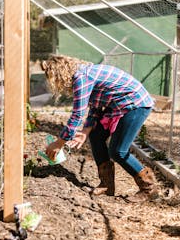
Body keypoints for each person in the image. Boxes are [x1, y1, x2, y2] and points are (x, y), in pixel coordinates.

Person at [41, 55, 158, 202]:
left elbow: (77, 115)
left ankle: (149, 189)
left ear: (60, 74)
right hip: (120, 104)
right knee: (96, 136)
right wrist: (85, 131)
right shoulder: (85, 74)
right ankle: (107, 185)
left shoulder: (81, 78)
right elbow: (96, 105)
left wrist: (59, 143)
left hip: (136, 104)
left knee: (118, 151)